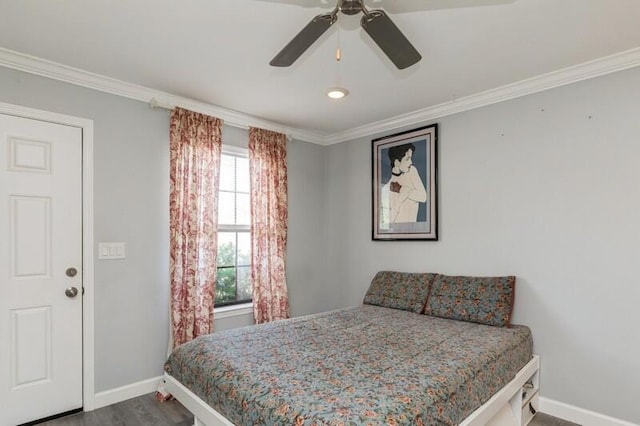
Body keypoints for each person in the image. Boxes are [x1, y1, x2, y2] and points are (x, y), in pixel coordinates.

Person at [380, 143, 427, 227]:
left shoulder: (412, 171)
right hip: (394, 235)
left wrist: (402, 189)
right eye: (407, 159)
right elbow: (388, 221)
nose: (411, 162)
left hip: (413, 233)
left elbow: (423, 197)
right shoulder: (386, 188)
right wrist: (401, 197)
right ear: (397, 162)